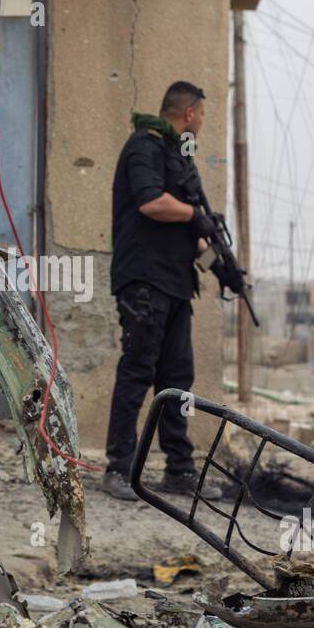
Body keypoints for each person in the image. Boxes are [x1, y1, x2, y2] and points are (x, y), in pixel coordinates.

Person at [102, 80, 218, 501]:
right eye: (202, 115)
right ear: (189, 113)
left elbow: (189, 225)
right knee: (137, 371)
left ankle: (179, 469)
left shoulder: (175, 154)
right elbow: (152, 203)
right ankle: (118, 468)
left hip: (174, 284)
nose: (202, 123)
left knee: (177, 379)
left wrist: (212, 250)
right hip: (144, 281)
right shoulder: (144, 147)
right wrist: (194, 216)